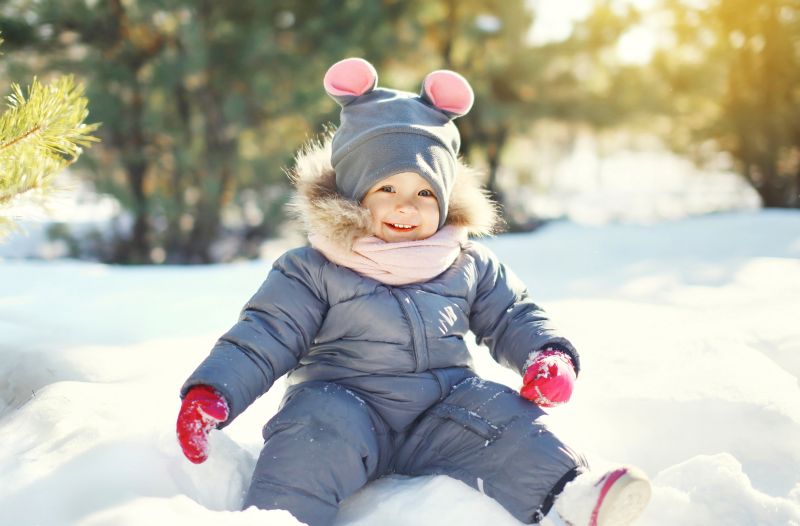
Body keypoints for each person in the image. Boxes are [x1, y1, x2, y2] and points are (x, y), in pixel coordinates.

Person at [176, 58, 651, 526]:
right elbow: (265, 335)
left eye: (425, 193)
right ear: (355, 193)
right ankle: (280, 520)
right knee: (309, 438)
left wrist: (546, 355)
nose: (406, 206)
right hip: (342, 403)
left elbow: (512, 314)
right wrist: (214, 392)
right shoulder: (313, 268)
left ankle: (571, 493)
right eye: (387, 188)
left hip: (445, 407)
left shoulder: (464, 261)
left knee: (506, 417)